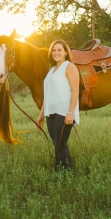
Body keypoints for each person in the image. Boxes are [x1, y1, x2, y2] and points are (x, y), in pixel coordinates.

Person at [37, 39, 80, 171]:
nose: (56, 53)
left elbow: (75, 91)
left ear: (66, 52)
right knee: (57, 143)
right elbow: (47, 94)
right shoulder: (51, 70)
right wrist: (41, 115)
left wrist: (70, 113)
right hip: (51, 112)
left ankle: (64, 173)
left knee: (60, 144)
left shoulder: (69, 67)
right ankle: (65, 171)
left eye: (59, 50)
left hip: (64, 112)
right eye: (54, 50)